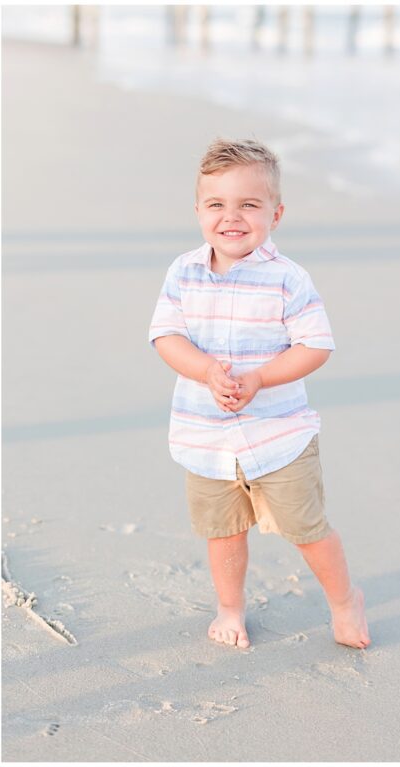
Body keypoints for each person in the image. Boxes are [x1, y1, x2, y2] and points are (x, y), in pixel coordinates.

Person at [148, 139, 370, 651]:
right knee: (222, 531)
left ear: (276, 212)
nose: (232, 217)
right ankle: (230, 607)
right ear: (198, 211)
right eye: (217, 205)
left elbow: (315, 345)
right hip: (205, 433)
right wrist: (205, 370)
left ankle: (343, 599)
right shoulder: (183, 271)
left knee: (306, 527)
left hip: (278, 433)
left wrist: (260, 379)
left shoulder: (287, 278)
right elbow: (166, 336)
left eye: (249, 204)